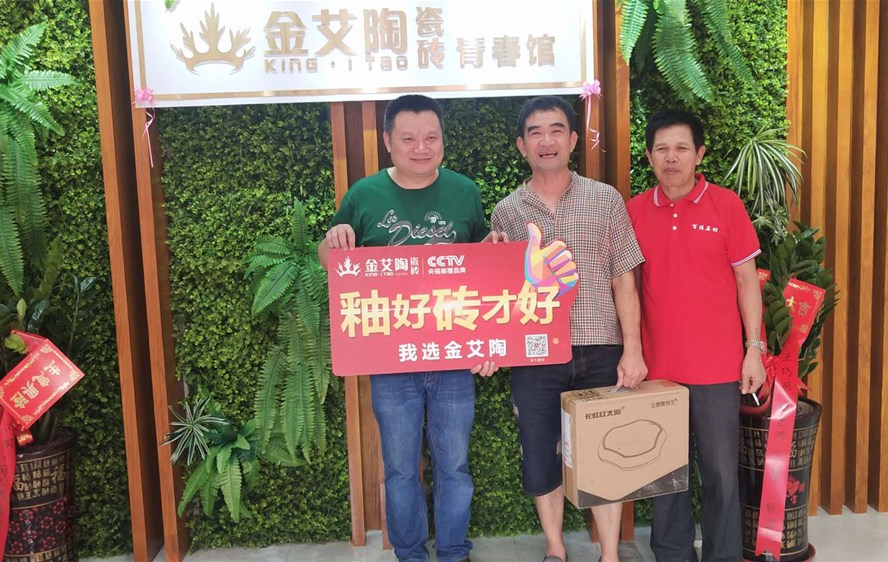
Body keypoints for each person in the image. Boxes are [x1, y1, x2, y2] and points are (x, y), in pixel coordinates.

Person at [318, 94, 503, 562]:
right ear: (388, 141)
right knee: (400, 468)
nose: (421, 147)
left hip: (454, 358)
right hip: (391, 361)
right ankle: (410, 554)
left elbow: (483, 267)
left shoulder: (465, 192)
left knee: (454, 465)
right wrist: (333, 240)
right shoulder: (364, 195)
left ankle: (455, 551)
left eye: (431, 138)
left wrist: (496, 248)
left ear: (442, 140)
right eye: (408, 139)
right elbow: (330, 260)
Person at [490, 95, 647, 562]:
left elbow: (624, 278)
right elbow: (497, 291)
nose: (547, 140)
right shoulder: (507, 212)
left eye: (556, 130)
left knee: (607, 453)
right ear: (521, 146)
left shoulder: (606, 199)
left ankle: (610, 554)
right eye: (535, 133)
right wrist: (492, 251)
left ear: (573, 139)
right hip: (535, 352)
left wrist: (632, 349)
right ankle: (555, 548)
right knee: (541, 453)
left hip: (601, 346)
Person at [625, 109, 766, 562]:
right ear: (650, 156)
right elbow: (625, 286)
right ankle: (672, 554)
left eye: (681, 148)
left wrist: (754, 349)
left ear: (699, 153)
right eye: (662, 149)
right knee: (665, 476)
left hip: (717, 368)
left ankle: (724, 555)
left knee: (721, 475)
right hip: (658, 370)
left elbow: (747, 281)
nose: (672, 158)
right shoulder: (634, 211)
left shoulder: (726, 205)